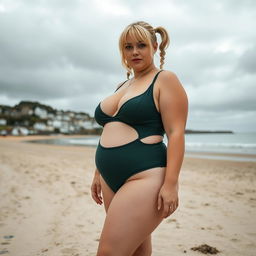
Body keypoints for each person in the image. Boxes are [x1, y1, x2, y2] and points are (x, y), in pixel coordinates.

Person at [91, 20, 188, 256]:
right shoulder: (122, 85)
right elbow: (111, 129)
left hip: (144, 177)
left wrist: (171, 184)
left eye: (141, 45)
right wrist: (98, 172)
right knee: (136, 251)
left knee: (109, 252)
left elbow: (176, 134)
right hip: (110, 178)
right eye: (128, 46)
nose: (134, 52)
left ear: (155, 47)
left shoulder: (165, 79)